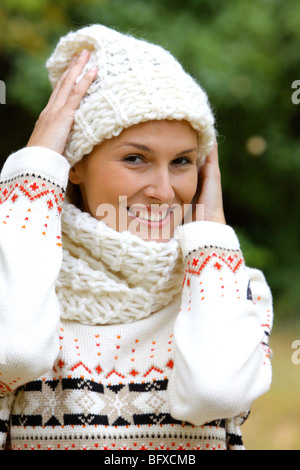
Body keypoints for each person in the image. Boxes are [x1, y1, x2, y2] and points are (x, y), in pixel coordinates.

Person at [0, 24, 273, 451]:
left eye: (182, 161)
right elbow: (11, 354)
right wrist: (35, 169)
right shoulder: (21, 281)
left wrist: (213, 231)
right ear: (73, 163)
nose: (164, 191)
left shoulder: (233, 289)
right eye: (135, 159)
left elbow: (213, 395)